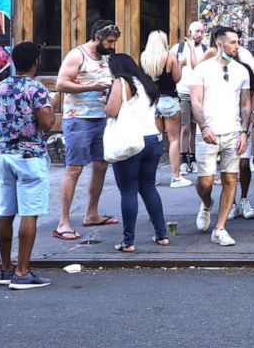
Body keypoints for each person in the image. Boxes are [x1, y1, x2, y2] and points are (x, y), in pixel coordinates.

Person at [0, 42, 54, 289]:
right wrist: (53, 108)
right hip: (30, 155)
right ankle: (22, 272)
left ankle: (6, 269)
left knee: (6, 211)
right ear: (35, 62)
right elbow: (47, 123)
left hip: (5, 153)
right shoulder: (36, 89)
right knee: (29, 213)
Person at [54, 19, 121, 241]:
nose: (112, 46)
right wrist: (91, 87)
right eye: (110, 42)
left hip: (101, 118)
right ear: (97, 37)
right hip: (78, 119)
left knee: (101, 165)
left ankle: (92, 213)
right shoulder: (77, 55)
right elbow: (61, 84)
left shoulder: (106, 58)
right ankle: (64, 221)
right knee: (74, 169)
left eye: (114, 42)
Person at [190, 26, 252, 247]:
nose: (236, 47)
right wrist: (204, 126)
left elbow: (246, 104)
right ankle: (206, 204)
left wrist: (244, 132)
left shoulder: (241, 71)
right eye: (233, 42)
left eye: (237, 43)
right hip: (208, 132)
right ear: (220, 44)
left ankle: (220, 228)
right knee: (205, 182)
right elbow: (195, 101)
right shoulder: (202, 69)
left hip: (233, 132)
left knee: (229, 178)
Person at [106, 53, 169, 252]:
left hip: (131, 142)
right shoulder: (146, 82)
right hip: (152, 139)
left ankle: (128, 241)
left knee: (128, 190)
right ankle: (162, 235)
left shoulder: (120, 82)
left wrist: (105, 98)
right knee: (149, 187)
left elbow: (112, 111)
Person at [141, 30, 189, 188]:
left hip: (152, 102)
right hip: (169, 100)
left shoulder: (144, 57)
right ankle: (176, 177)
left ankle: (151, 177)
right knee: (174, 140)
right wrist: (180, 64)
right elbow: (177, 78)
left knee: (156, 139)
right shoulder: (170, 56)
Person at [229, 43, 254, 221]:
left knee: (244, 163)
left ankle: (243, 198)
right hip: (225, 120)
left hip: (243, 120)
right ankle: (231, 202)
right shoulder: (214, 69)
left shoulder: (244, 69)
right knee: (229, 166)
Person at [173, 21, 207, 176]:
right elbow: (171, 69)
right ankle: (183, 159)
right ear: (189, 31)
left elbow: (200, 69)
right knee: (184, 127)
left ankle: (192, 159)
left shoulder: (206, 50)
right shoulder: (178, 48)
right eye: (196, 31)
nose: (198, 34)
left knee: (194, 127)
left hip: (199, 93)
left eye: (201, 31)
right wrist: (179, 65)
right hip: (183, 92)